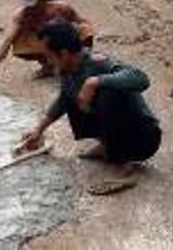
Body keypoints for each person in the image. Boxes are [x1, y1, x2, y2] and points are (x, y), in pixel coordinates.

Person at [18, 21, 161, 171]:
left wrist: (94, 82)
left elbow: (141, 79)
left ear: (64, 53)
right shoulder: (68, 69)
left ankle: (122, 158)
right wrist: (38, 130)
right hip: (123, 136)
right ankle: (109, 147)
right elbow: (63, 100)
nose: (47, 61)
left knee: (107, 92)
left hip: (145, 139)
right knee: (73, 96)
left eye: (49, 56)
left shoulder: (99, 62)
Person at [0, 0, 94, 85]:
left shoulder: (61, 8)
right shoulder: (22, 15)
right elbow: (8, 40)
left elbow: (82, 23)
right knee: (19, 43)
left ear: (43, 0)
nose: (31, 9)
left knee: (84, 30)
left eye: (35, 6)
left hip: (65, 40)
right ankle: (48, 66)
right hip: (47, 43)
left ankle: (78, 64)